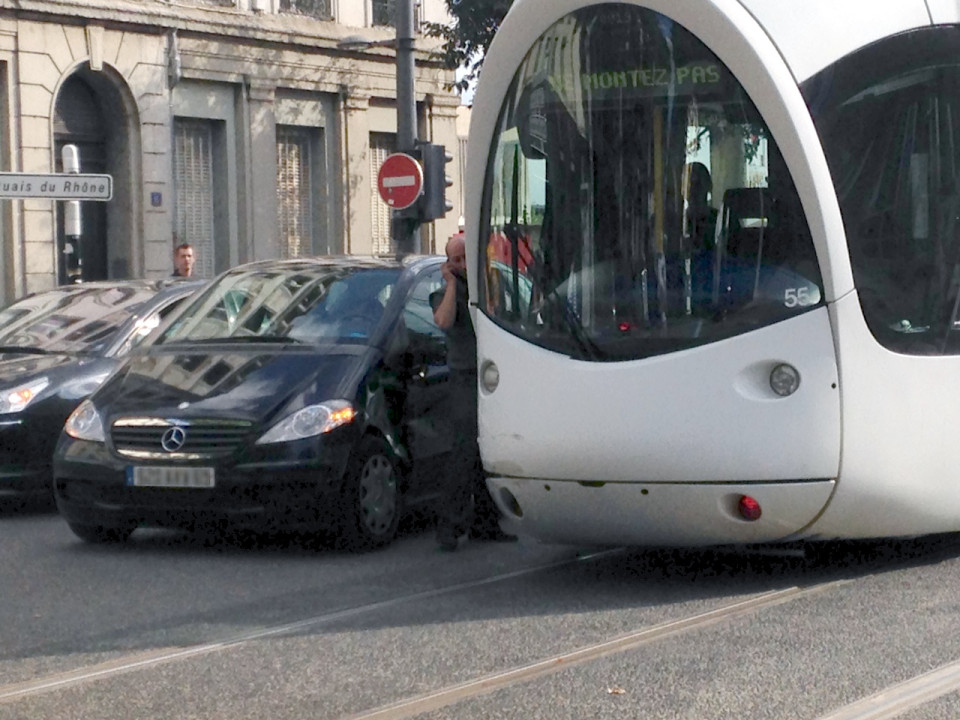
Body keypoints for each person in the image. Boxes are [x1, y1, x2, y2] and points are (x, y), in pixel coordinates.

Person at [431, 233, 516, 551]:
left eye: (467, 257)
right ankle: (449, 525)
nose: (463, 264)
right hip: (465, 375)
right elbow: (443, 320)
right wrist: (452, 284)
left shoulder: (488, 284)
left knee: (488, 447)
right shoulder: (444, 292)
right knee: (464, 449)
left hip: (490, 373)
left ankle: (485, 521)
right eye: (456, 260)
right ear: (448, 263)